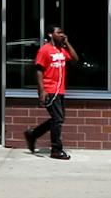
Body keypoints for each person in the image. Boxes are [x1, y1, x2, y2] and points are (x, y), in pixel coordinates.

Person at [25, 25, 76, 159]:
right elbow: (38, 70)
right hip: (49, 89)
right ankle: (56, 150)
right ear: (50, 34)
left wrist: (67, 43)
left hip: (60, 89)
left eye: (62, 33)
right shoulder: (44, 50)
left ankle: (33, 134)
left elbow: (75, 59)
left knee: (58, 119)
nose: (61, 35)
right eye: (58, 33)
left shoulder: (61, 50)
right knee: (58, 119)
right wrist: (42, 91)